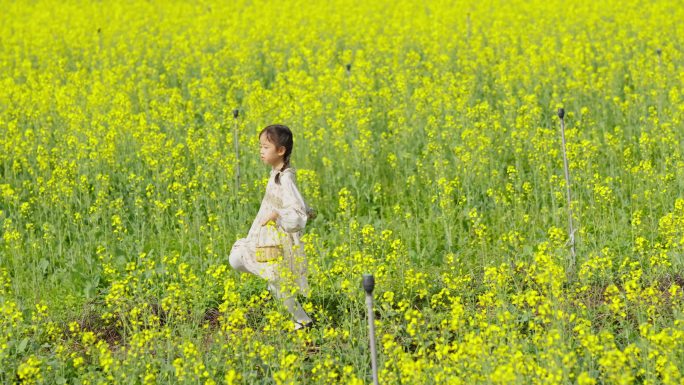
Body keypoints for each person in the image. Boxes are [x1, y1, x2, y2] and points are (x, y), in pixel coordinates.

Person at [228, 124, 314, 331]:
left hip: (278, 239)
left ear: (280, 150)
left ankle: (303, 321)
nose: (261, 151)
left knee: (265, 274)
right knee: (242, 261)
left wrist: (278, 215)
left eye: (265, 147)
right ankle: (302, 320)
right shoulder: (277, 172)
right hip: (266, 236)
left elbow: (297, 211)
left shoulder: (286, 177)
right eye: (260, 147)